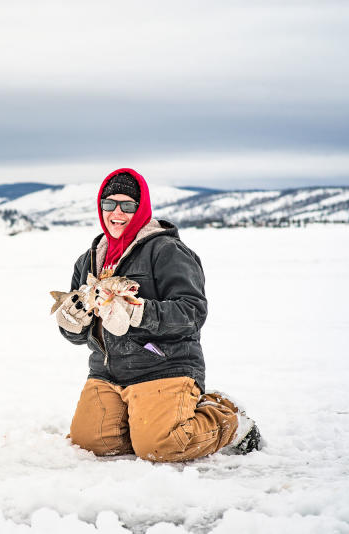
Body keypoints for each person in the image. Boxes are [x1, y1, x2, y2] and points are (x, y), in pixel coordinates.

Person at [55, 168, 261, 462]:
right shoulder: (89, 259)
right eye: (109, 203)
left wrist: (139, 313)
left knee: (161, 445)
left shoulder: (167, 250)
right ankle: (145, 420)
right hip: (108, 371)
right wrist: (71, 324)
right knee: (90, 445)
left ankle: (229, 417)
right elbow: (80, 330)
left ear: (141, 209)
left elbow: (193, 311)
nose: (117, 212)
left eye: (127, 205)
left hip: (163, 365)